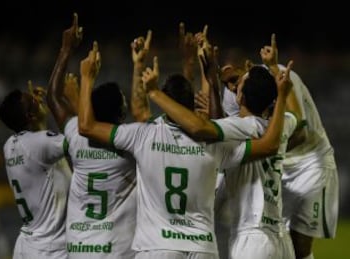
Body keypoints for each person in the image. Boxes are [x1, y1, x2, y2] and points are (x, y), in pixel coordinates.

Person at [77, 34, 291, 258]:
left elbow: (87, 127)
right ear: (193, 107)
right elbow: (266, 145)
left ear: (166, 105)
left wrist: (87, 77)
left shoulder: (143, 135)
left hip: (157, 246)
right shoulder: (216, 144)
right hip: (202, 248)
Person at [144, 31, 297, 259]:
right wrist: (276, 76)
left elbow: (203, 129)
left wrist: (155, 92)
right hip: (281, 238)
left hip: (252, 237)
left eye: (238, 85)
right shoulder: (285, 122)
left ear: (241, 98)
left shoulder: (243, 127)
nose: (234, 87)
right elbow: (284, 110)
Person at [46, 13, 137, 258]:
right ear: (121, 114)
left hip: (79, 247)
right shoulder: (130, 143)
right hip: (115, 249)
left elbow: (53, 97)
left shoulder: (76, 134)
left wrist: (66, 49)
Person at [260, 33, 339, 259]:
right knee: (280, 240)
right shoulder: (242, 90)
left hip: (311, 164)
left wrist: (269, 148)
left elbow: (300, 131)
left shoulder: (285, 76)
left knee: (300, 247)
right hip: (284, 167)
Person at [0, 81, 72, 258]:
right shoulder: (39, 144)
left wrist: (37, 118)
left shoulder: (10, 145)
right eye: (33, 101)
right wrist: (62, 102)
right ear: (30, 116)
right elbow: (79, 138)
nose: (38, 100)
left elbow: (42, 149)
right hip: (50, 248)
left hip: (27, 244)